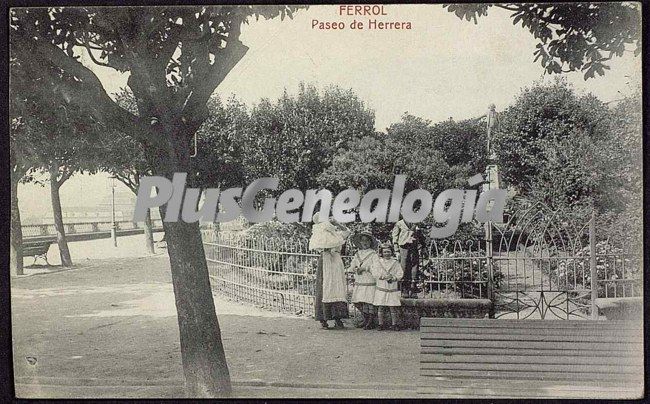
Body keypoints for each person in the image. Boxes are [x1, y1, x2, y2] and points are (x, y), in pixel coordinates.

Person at [309, 213, 351, 329]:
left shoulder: (336, 235)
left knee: (337, 287)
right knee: (325, 287)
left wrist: (337, 223)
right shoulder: (319, 235)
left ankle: (338, 318)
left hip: (336, 261)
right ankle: (323, 319)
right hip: (326, 260)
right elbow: (319, 245)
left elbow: (347, 232)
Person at [348, 231, 379, 329]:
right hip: (360, 280)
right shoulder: (357, 254)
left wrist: (365, 268)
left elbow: (376, 267)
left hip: (369, 279)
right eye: (363, 241)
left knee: (369, 301)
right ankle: (365, 319)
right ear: (360, 242)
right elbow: (352, 266)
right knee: (358, 301)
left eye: (367, 241)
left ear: (370, 242)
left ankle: (370, 321)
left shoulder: (374, 254)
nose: (365, 243)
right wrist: (355, 269)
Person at [371, 242, 404, 331]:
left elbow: (400, 273)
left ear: (391, 252)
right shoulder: (378, 262)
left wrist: (394, 278)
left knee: (392, 307)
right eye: (385, 252)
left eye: (388, 252)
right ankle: (380, 323)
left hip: (391, 287)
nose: (387, 254)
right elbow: (374, 272)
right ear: (381, 253)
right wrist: (382, 276)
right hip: (382, 286)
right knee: (380, 307)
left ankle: (394, 324)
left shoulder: (395, 262)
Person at [391, 218, 426, 298]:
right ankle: (405, 289)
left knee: (415, 266)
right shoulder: (399, 224)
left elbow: (420, 236)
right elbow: (395, 237)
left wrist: (423, 246)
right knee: (404, 266)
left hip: (414, 247)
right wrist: (396, 251)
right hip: (403, 247)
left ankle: (413, 289)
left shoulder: (415, 223)